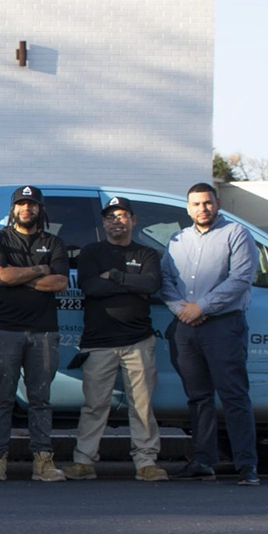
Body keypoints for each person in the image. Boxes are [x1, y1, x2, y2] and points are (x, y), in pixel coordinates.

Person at [161, 182, 261, 486]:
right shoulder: (177, 240)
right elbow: (165, 279)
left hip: (223, 326)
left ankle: (246, 465)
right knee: (198, 397)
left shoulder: (236, 234)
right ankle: (203, 461)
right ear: (188, 208)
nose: (202, 209)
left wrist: (201, 307)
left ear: (217, 203)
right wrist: (181, 309)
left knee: (234, 395)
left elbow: (241, 278)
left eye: (207, 203)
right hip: (185, 328)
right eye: (196, 204)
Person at [70, 196, 168, 481]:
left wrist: (114, 275)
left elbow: (151, 283)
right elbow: (91, 287)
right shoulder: (92, 252)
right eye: (111, 217)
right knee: (94, 405)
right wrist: (132, 285)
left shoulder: (147, 254)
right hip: (99, 342)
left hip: (139, 341)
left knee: (142, 405)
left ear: (133, 220)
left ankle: (146, 462)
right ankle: (83, 461)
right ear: (103, 223)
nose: (117, 221)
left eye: (123, 216)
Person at [0, 185, 69, 482]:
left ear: (40, 209)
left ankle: (43, 460)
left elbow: (60, 283)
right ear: (13, 209)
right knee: (2, 398)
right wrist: (40, 270)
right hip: (6, 330)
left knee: (40, 399)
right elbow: (1, 276)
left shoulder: (54, 242)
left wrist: (18, 276)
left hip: (44, 333)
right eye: (21, 204)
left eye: (32, 204)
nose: (26, 208)